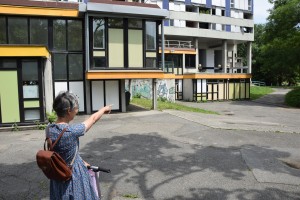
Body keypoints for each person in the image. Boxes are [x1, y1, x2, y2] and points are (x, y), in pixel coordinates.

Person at [47, 91, 112, 200]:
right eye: (76, 108)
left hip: (57, 173)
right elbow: (93, 119)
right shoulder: (71, 131)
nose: (77, 111)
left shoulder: (49, 128)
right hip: (72, 175)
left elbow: (61, 151)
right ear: (69, 111)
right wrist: (103, 109)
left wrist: (80, 160)